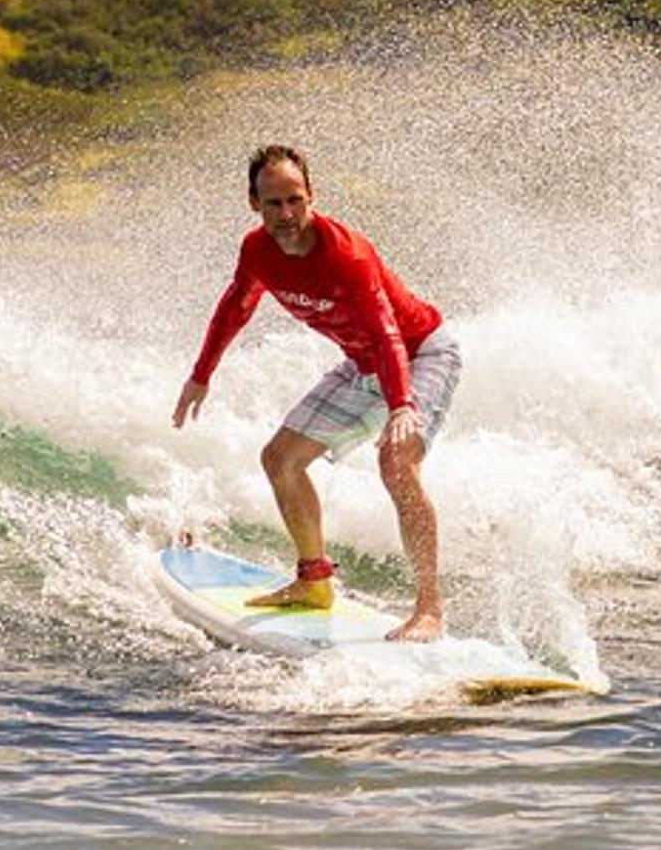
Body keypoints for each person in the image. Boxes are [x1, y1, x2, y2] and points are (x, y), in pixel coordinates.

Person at [172, 144, 461, 642]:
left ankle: (429, 611)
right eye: (273, 204)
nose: (286, 215)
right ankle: (313, 581)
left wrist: (401, 406)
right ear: (253, 204)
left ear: (312, 197)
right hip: (363, 362)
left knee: (396, 462)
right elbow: (236, 305)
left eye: (295, 200)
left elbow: (388, 333)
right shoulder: (257, 250)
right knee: (280, 459)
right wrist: (202, 374)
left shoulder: (347, 255)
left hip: (420, 354)